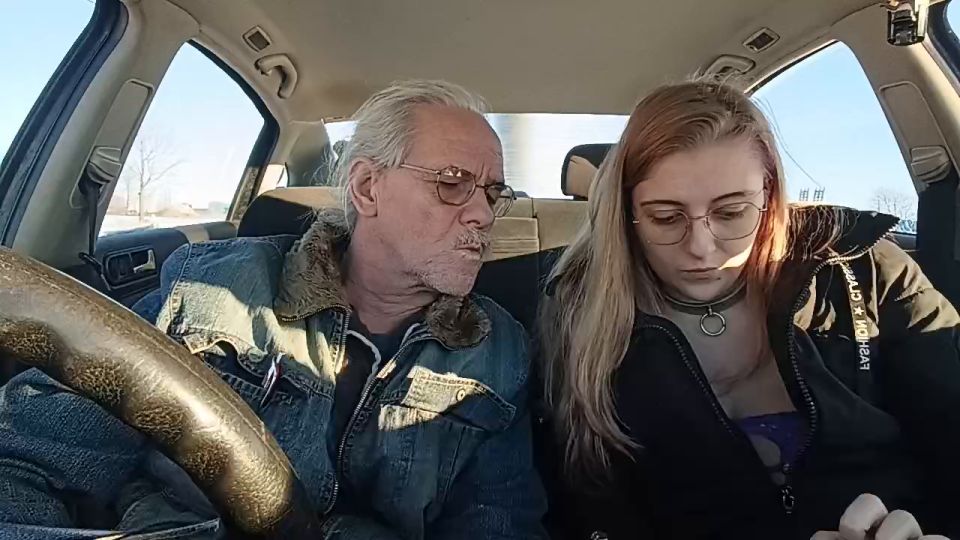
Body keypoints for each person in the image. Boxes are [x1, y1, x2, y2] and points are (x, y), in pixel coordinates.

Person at [0, 80, 547, 539]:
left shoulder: (498, 351)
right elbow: (26, 463)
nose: (483, 214)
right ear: (367, 187)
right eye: (452, 184)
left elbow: (497, 524)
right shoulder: (215, 289)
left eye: (493, 193)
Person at [539, 80, 960, 540]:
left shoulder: (867, 273)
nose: (701, 248)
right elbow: (589, 511)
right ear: (627, 214)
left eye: (731, 212)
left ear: (769, 195)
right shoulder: (581, 313)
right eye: (666, 217)